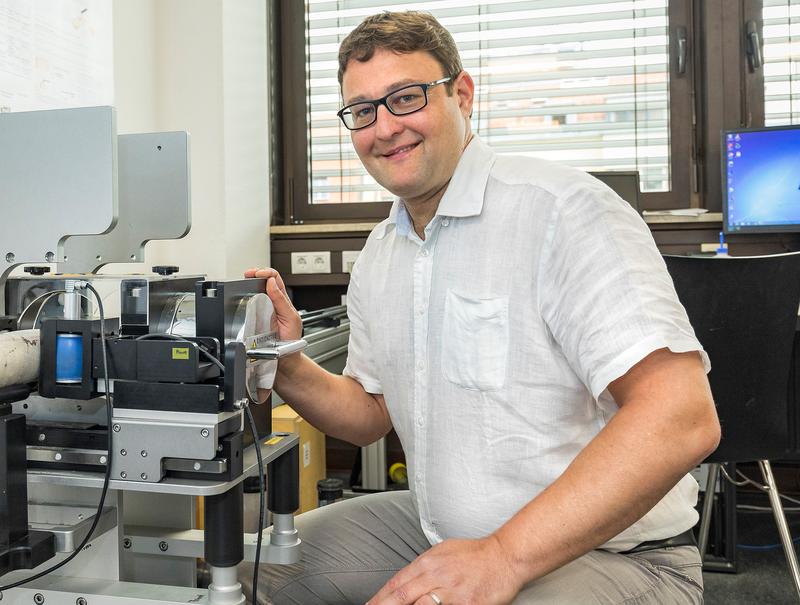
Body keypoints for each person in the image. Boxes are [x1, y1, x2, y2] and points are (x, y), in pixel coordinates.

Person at [243, 10, 720, 605]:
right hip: (439, 532)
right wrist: (284, 362)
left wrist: (501, 557)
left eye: (406, 97)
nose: (384, 128)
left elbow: (682, 417)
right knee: (255, 567)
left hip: (617, 555)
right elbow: (370, 413)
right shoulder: (381, 253)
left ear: (462, 95)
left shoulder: (562, 211)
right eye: (362, 111)